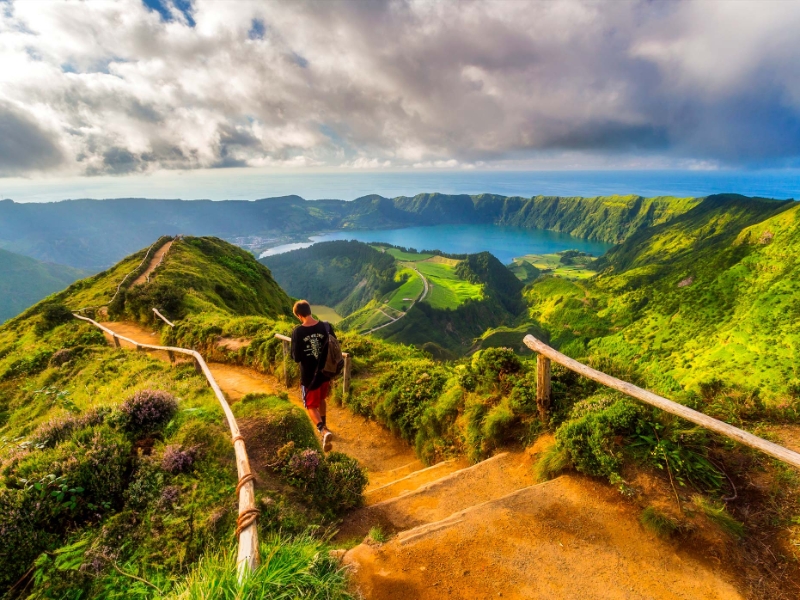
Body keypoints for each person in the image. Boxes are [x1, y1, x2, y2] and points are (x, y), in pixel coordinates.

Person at [290, 300, 334, 452]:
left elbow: (296, 358)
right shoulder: (326, 326)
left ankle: (323, 431)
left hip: (309, 377)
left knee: (310, 406)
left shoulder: (298, 332)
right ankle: (325, 425)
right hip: (326, 373)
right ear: (309, 311)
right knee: (321, 399)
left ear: (299, 315)